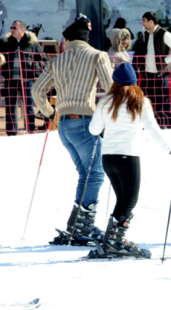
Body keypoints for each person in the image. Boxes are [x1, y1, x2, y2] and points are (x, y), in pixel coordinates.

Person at [31, 17, 114, 246]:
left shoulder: (57, 60)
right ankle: (84, 227)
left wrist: (49, 112)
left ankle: (76, 224)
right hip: (86, 121)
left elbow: (37, 90)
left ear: (68, 39)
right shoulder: (98, 55)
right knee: (95, 174)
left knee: (85, 173)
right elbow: (111, 90)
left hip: (64, 125)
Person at [87, 63, 171, 258]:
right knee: (129, 200)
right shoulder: (140, 102)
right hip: (128, 157)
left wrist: (108, 129)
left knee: (122, 199)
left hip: (108, 159)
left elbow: (93, 130)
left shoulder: (105, 101)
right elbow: (153, 130)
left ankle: (111, 240)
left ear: (115, 81)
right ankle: (115, 242)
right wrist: (170, 149)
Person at [132, 11, 171, 128]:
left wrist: (165, 61)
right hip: (148, 73)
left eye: (144, 21)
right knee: (151, 101)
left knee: (163, 101)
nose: (142, 23)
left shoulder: (165, 34)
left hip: (161, 73)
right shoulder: (146, 33)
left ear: (151, 22)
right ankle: (156, 126)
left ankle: (168, 127)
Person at [0, 20, 46, 136]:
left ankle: (30, 130)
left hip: (27, 80)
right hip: (10, 80)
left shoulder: (32, 44)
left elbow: (43, 60)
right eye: (11, 27)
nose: (12, 29)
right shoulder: (5, 43)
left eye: (14, 27)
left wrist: (34, 70)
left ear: (22, 30)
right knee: (11, 106)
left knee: (29, 106)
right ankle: (11, 132)